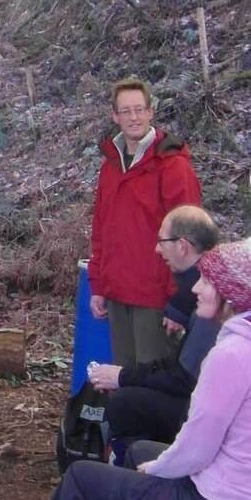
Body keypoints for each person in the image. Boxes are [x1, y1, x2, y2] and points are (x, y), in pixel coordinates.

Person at [30, 231, 251, 500]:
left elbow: (197, 447)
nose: (195, 289)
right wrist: (157, 464)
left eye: (208, 281)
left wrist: (158, 470)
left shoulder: (234, 355)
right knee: (140, 451)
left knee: (82, 478)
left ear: (232, 294)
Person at [87, 206, 221, 452]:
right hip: (205, 400)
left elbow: (184, 379)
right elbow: (179, 365)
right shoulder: (202, 286)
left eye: (161, 241)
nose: (156, 249)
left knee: (125, 403)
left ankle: (135, 465)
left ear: (183, 246)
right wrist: (123, 375)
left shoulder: (211, 301)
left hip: (211, 413)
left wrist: (123, 377)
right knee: (128, 394)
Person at [88, 78, 202, 367]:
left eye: (139, 109)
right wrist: (99, 285)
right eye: (125, 111)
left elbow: (189, 237)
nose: (133, 117)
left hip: (156, 300)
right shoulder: (110, 167)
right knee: (124, 387)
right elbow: (102, 230)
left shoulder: (172, 165)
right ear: (115, 116)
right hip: (117, 295)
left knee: (154, 388)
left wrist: (180, 302)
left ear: (151, 112)